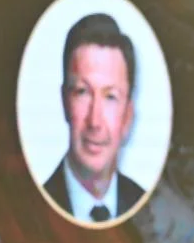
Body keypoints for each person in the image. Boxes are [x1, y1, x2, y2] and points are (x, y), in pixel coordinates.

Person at [43, 13, 145, 225]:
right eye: (82, 92)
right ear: (64, 102)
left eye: (110, 97)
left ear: (128, 116)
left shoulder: (150, 210)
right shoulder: (26, 207)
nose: (95, 122)